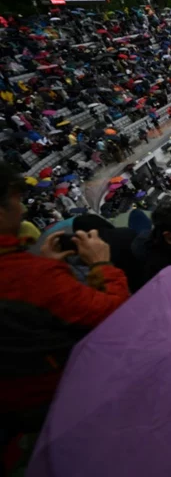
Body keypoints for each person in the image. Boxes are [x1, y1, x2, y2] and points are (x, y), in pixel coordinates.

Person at [0, 163, 130, 421]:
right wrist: (101, 264)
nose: (23, 210)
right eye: (16, 201)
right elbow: (116, 316)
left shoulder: (33, 272)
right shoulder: (28, 276)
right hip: (59, 399)